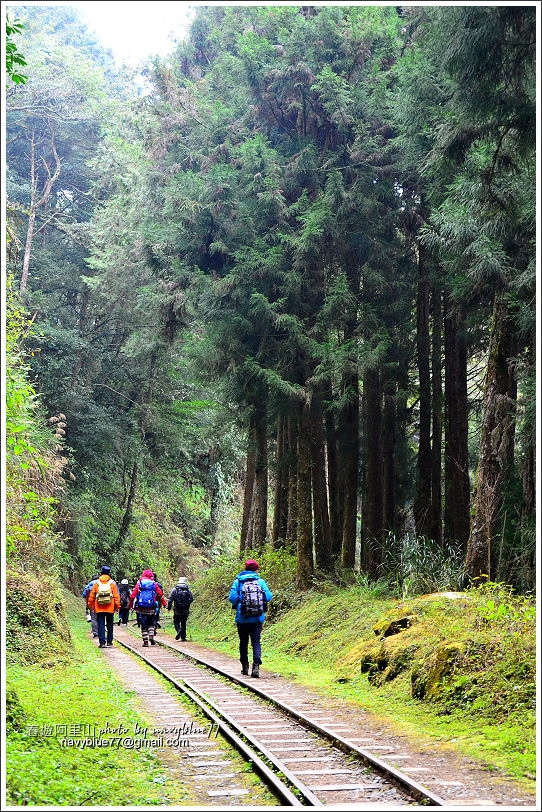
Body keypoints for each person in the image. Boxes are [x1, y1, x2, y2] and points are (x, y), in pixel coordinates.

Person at [229, 559, 272, 678]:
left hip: (242, 618)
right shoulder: (260, 582)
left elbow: (232, 598)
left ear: (245, 568)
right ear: (256, 569)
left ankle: (245, 667)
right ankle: (256, 667)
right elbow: (268, 597)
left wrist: (240, 601)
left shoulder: (238, 581)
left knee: (243, 642)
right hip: (257, 618)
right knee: (256, 642)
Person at [129, 569, 165, 647]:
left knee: (143, 623)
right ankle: (151, 635)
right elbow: (160, 593)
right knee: (151, 621)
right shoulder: (154, 583)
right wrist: (156, 599)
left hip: (141, 606)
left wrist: (131, 604)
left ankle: (145, 640)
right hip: (151, 606)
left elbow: (133, 595)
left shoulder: (140, 583)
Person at [87, 566, 121, 648]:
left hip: (99, 607)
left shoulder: (97, 583)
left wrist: (91, 606)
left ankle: (102, 642)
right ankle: (109, 641)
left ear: (101, 573)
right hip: (110, 607)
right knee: (110, 624)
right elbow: (116, 596)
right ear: (109, 573)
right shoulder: (112, 583)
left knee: (101, 624)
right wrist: (117, 607)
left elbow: (92, 596)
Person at [167, 577, 194, 641]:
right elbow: (191, 599)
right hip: (185, 609)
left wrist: (169, 607)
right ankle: (183, 637)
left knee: (176, 621)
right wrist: (187, 604)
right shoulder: (188, 590)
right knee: (183, 622)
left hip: (177, 609)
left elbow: (170, 599)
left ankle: (179, 630)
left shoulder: (175, 590)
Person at [82, 574, 100, 638]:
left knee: (94, 618)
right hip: (101, 603)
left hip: (92, 604)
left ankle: (95, 633)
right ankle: (101, 631)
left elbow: (84, 594)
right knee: (101, 617)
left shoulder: (88, 585)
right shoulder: (101, 584)